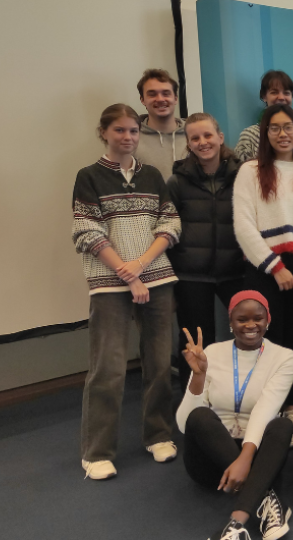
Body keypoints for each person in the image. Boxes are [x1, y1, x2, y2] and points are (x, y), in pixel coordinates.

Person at [72, 103, 181, 480]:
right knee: (109, 369)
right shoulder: (89, 176)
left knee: (159, 364)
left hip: (157, 278)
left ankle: (159, 434)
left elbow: (170, 223)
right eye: (119, 130)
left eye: (133, 131)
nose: (128, 137)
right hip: (110, 284)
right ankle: (97, 451)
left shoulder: (152, 175)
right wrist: (127, 273)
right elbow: (87, 233)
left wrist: (142, 266)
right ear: (103, 132)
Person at [233, 103, 293, 447]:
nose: (282, 133)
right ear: (265, 133)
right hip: (266, 269)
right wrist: (275, 268)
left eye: (288, 126)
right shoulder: (250, 171)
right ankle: (267, 415)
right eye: (274, 127)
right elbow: (243, 225)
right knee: (266, 342)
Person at [176, 291, 293, 540]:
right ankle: (266, 499)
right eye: (242, 319)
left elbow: (265, 409)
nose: (250, 325)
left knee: (282, 425)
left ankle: (235, 525)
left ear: (268, 320)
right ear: (230, 322)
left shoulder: (284, 357)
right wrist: (198, 376)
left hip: (254, 457)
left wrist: (244, 459)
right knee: (200, 416)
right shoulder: (212, 351)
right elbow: (183, 423)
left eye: (258, 318)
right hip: (211, 463)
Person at [167, 112, 245, 392]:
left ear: (220, 137)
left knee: (249, 333)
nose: (203, 142)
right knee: (196, 342)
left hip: (235, 270)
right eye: (195, 138)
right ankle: (195, 402)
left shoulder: (243, 175)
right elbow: (167, 228)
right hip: (191, 275)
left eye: (208, 135)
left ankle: (240, 395)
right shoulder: (176, 182)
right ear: (188, 144)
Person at [235, 70, 293, 162]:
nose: (281, 97)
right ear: (264, 96)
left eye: (286, 93)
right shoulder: (249, 137)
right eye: (274, 92)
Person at [134, 69, 188, 179]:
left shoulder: (195, 134)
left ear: (175, 98)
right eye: (152, 94)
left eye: (166, 93)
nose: (160, 99)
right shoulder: (131, 139)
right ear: (142, 100)